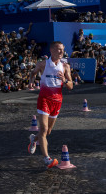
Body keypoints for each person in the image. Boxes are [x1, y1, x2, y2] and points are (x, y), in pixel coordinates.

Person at [28, 41, 73, 169]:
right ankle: (47, 158)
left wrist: (64, 80)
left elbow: (71, 86)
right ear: (51, 50)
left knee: (48, 131)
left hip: (57, 100)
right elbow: (33, 73)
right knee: (42, 129)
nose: (61, 52)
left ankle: (34, 139)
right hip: (44, 99)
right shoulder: (42, 64)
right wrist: (31, 81)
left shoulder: (65, 67)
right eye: (58, 49)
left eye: (62, 49)